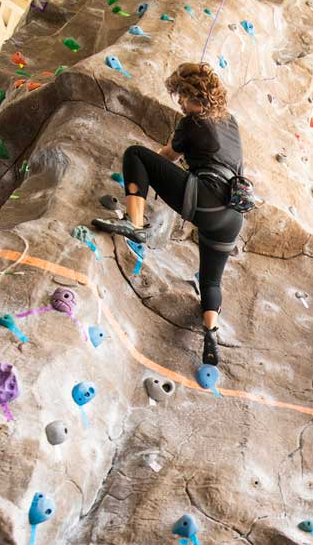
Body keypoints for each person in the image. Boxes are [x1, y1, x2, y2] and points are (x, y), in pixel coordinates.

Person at [93, 62, 244, 366]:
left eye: (179, 97)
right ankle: (210, 331)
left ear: (190, 96)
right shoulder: (231, 121)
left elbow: (166, 158)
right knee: (210, 281)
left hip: (206, 200)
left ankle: (134, 223)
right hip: (233, 216)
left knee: (136, 154)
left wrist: (156, 166)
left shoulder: (192, 122)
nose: (178, 102)